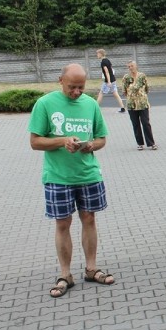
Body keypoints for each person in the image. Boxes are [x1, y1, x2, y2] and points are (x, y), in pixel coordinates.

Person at [28, 63, 116, 298]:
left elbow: (101, 139)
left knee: (89, 219)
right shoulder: (45, 104)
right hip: (58, 177)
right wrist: (62, 141)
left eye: (81, 87)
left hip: (88, 174)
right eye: (72, 87)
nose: (76, 92)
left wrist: (89, 145)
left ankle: (91, 268)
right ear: (60, 81)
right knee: (62, 223)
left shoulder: (90, 105)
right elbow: (35, 142)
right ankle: (65, 274)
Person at [122, 60, 157, 151]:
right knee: (136, 124)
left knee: (146, 123)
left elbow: (147, 88)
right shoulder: (126, 77)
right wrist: (131, 97)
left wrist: (141, 96)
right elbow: (124, 91)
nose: (130, 68)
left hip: (142, 103)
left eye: (132, 66)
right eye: (129, 66)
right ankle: (140, 143)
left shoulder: (142, 76)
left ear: (136, 66)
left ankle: (151, 143)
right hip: (131, 104)